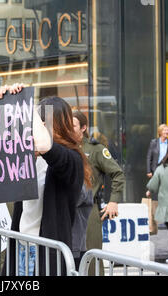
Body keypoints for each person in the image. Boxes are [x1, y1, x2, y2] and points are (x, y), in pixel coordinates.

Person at [0, 84, 92, 276]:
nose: (35, 125)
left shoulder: (72, 158)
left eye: (43, 120)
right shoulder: (28, 154)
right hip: (20, 244)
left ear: (59, 124)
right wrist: (5, 104)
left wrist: (24, 104)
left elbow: (45, 144)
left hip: (46, 251)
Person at [71, 111, 125, 273]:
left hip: (88, 212)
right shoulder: (62, 148)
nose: (68, 129)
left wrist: (113, 201)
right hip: (66, 211)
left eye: (72, 125)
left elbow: (117, 174)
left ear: (83, 128)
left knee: (91, 257)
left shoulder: (95, 150)